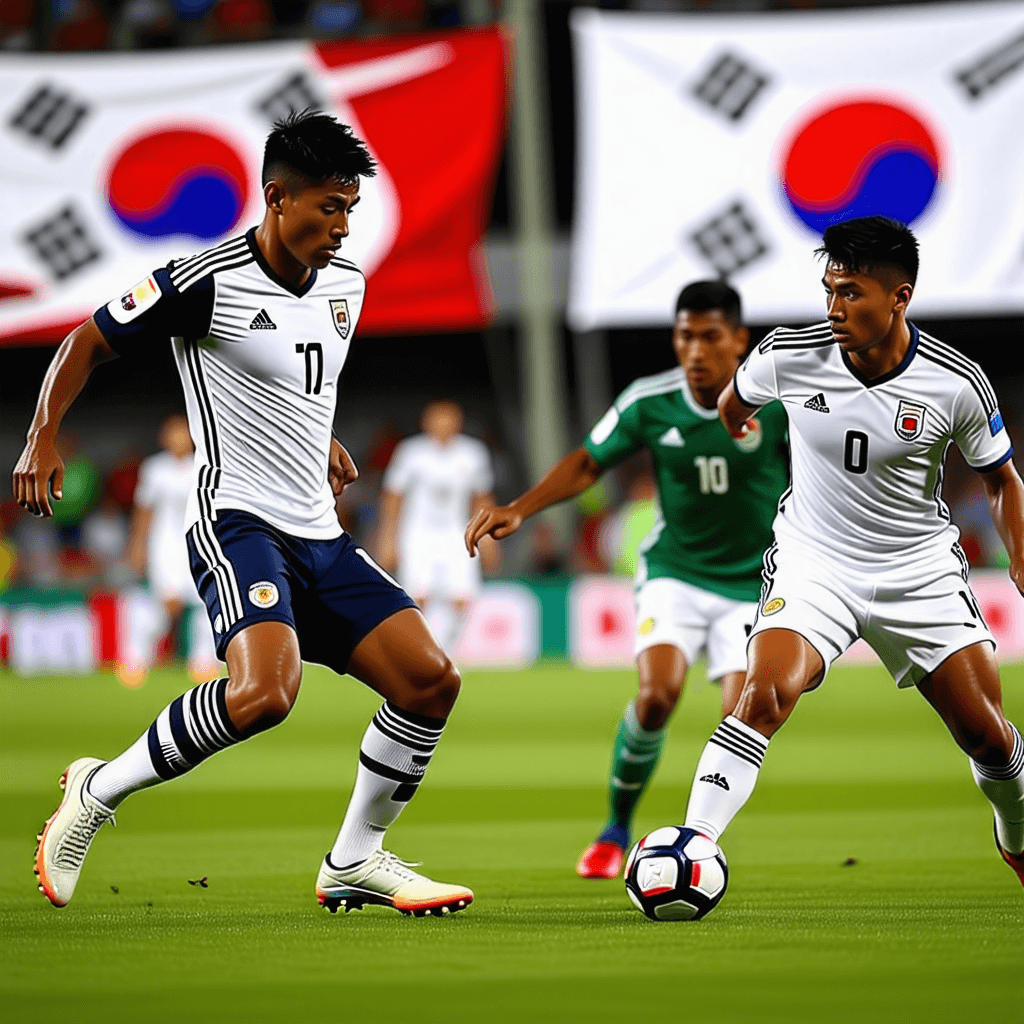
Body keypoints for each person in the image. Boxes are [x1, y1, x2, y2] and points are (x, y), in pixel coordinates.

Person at [14, 111, 472, 917]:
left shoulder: (346, 285)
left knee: (432, 681)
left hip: (321, 534)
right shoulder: (204, 281)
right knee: (265, 694)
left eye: (349, 210)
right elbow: (85, 340)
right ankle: (98, 788)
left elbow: (303, 380)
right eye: (328, 208)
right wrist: (41, 438)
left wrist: (321, 438)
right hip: (239, 524)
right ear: (276, 198)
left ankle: (353, 861)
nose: (340, 226)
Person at [681, 216, 1024, 891]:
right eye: (830, 291)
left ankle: (1016, 837)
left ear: (899, 297)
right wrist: (743, 426)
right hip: (815, 562)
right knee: (763, 695)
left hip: (918, 569)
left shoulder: (956, 382)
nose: (835, 309)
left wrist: (1019, 556)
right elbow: (733, 402)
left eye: (853, 294)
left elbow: (1000, 479)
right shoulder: (787, 353)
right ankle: (692, 847)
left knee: (987, 735)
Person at [465, 281, 790, 878]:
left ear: (739, 341)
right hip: (676, 572)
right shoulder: (650, 400)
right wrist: (522, 507)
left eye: (710, 336)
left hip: (756, 582)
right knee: (657, 695)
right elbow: (589, 460)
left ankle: (700, 839)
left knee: (740, 711)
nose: (694, 349)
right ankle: (616, 827)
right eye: (684, 335)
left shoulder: (779, 404)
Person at [376, 400, 498, 651]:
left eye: (449, 419)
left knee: (462, 597)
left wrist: (488, 538)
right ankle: (420, 650)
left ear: (459, 422)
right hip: (418, 532)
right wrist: (388, 536)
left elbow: (482, 498)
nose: (443, 425)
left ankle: (450, 650)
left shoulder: (472, 453)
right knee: (417, 596)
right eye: (438, 419)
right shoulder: (411, 452)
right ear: (426, 422)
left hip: (458, 532)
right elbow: (393, 495)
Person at [119, 412, 220, 687]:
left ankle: (204, 663)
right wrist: (137, 545)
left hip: (198, 546)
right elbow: (144, 511)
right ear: (164, 438)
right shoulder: (155, 469)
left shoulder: (205, 466)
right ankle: (135, 661)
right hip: (164, 547)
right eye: (173, 432)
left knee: (205, 604)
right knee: (162, 606)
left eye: (183, 432)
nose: (178, 438)